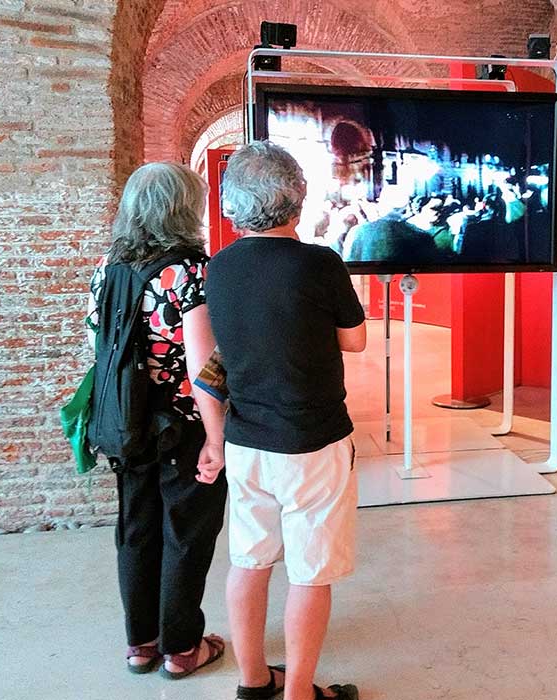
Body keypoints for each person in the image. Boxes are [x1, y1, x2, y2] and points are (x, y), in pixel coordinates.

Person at [198, 140, 366, 700]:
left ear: (233, 205)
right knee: (310, 571)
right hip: (313, 441)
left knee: (248, 560)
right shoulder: (320, 264)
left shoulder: (219, 268)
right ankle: (298, 693)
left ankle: (252, 681)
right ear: (298, 197)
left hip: (246, 441)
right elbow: (357, 340)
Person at [84, 162, 227, 679]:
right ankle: (183, 648)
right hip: (183, 421)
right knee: (186, 532)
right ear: (183, 208)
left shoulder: (108, 266)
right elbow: (202, 366)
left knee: (136, 527)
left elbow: (100, 345)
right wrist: (216, 438)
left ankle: (141, 644)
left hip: (127, 420)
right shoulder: (190, 271)